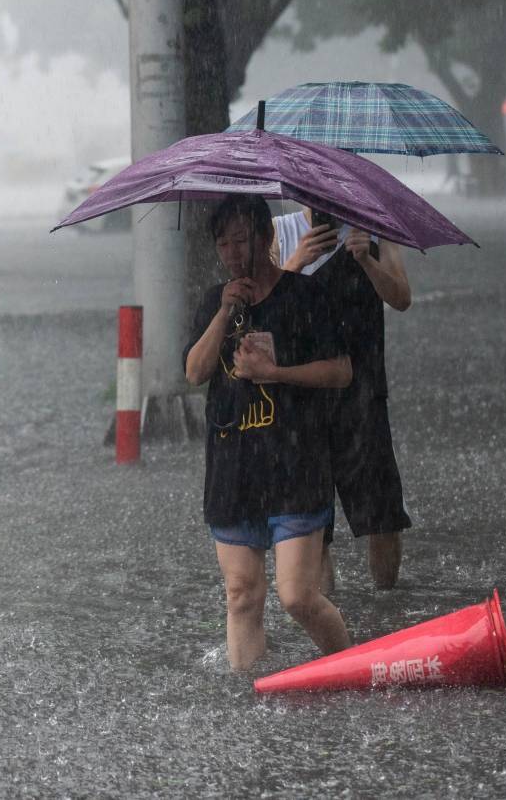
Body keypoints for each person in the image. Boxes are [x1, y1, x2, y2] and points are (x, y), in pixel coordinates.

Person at [184, 194, 354, 671]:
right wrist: (222, 314)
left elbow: (341, 372)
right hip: (233, 473)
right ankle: (248, 707)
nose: (234, 254)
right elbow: (194, 372)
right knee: (241, 594)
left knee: (297, 595)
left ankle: (354, 670)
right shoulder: (213, 304)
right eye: (223, 244)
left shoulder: (306, 296)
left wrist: (276, 373)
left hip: (296, 468)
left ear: (267, 236)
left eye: (242, 240)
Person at [273, 206, 412, 591]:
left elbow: (401, 298)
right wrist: (296, 262)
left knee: (382, 517)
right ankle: (332, 630)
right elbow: (261, 312)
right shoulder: (280, 231)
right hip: (300, 403)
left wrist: (366, 259)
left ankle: (386, 613)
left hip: (364, 397)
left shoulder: (376, 227)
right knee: (312, 530)